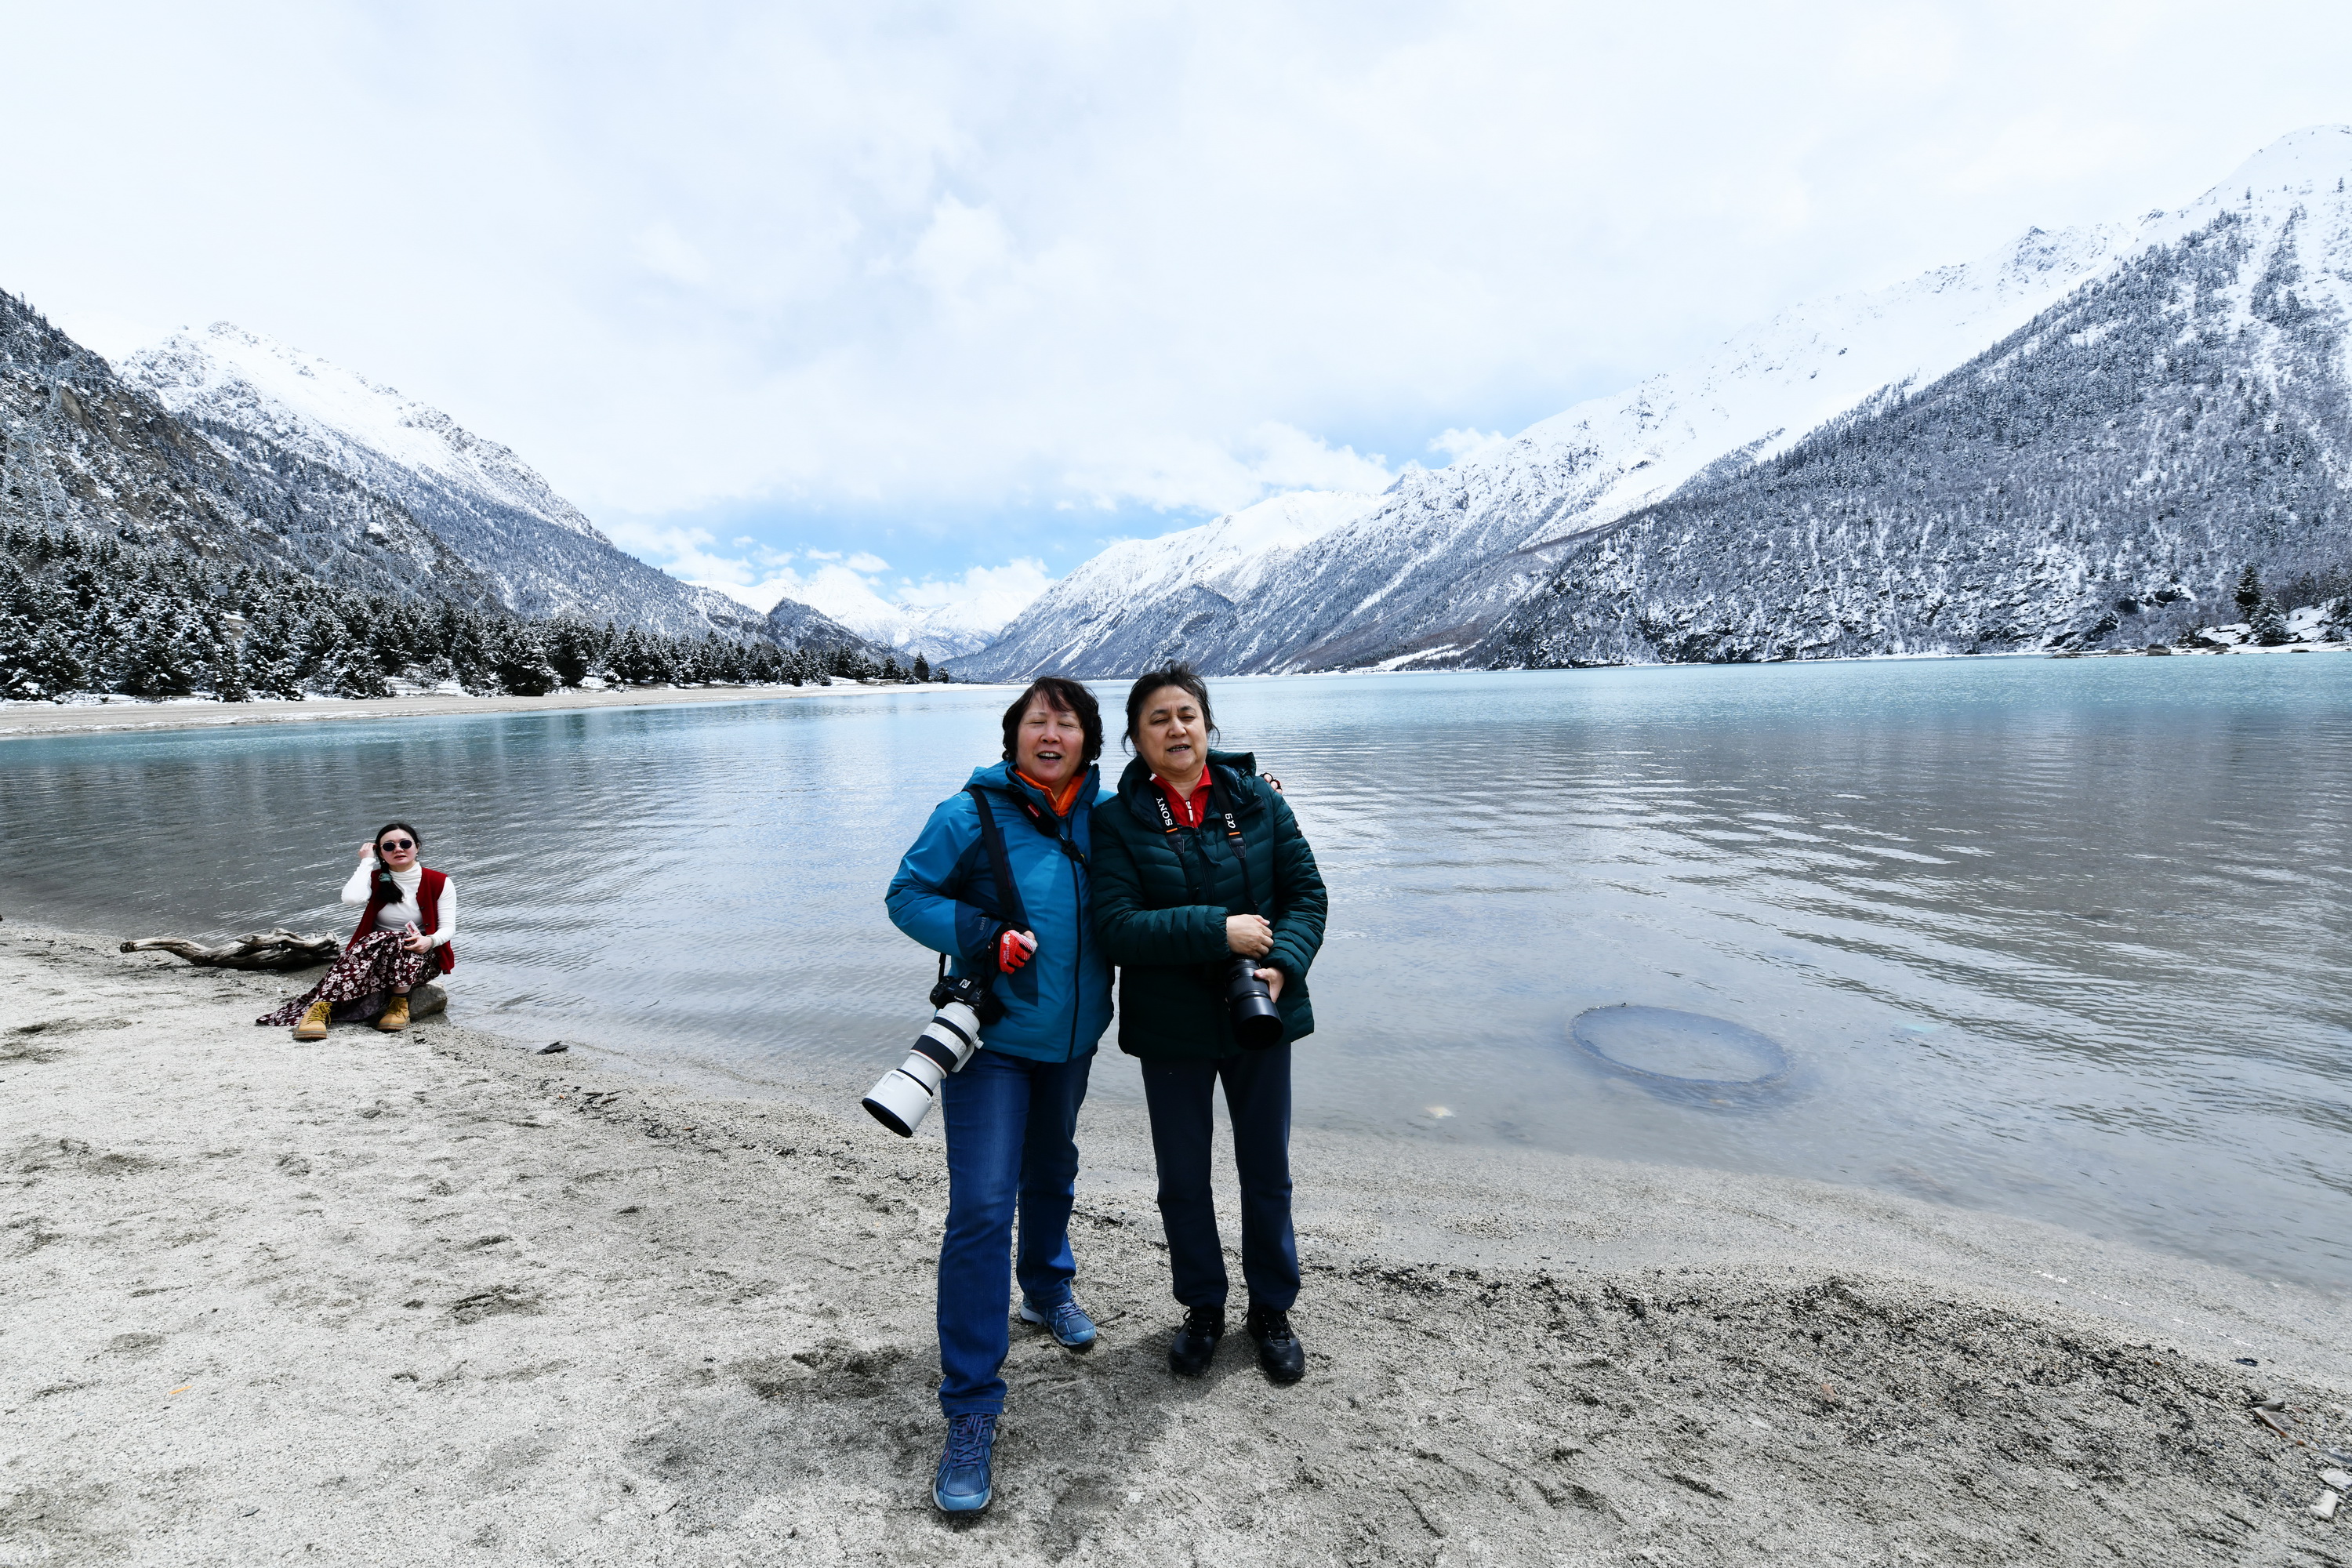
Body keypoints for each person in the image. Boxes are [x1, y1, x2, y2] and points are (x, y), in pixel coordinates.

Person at [884, 677, 1115, 1515]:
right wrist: (981, 933)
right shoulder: (968, 811)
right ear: (1014, 733)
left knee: (1054, 1167)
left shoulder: (1108, 815)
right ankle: (971, 1407)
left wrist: (1251, 790)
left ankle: (1046, 1285)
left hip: (1075, 1039)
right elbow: (906, 895)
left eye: (1067, 721)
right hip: (990, 1042)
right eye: (1035, 720)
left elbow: (1180, 844)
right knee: (981, 1207)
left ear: (1091, 739)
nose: (1050, 731)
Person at [1090, 662, 1327, 1385]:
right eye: (1158, 719)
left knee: (1268, 1172)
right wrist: (1219, 932)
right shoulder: (1116, 820)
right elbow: (1117, 929)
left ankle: (1271, 1310)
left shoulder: (1259, 802)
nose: (1176, 729)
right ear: (1135, 738)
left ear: (1208, 724)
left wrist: (1282, 965)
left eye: (1187, 714)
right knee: (1183, 1179)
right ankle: (1202, 1307)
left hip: (1260, 1015)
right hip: (1171, 1028)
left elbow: (1307, 896)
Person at [258, 822, 456, 1040]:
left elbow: (448, 928)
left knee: (399, 941)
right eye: (388, 847)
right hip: (371, 955)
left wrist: (429, 941)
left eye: (405, 843)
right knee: (380, 941)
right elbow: (351, 898)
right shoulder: (375, 879)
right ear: (381, 853)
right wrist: (366, 863)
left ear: (417, 847)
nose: (398, 849)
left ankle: (399, 1003)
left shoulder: (439, 882)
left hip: (419, 957)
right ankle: (318, 1009)